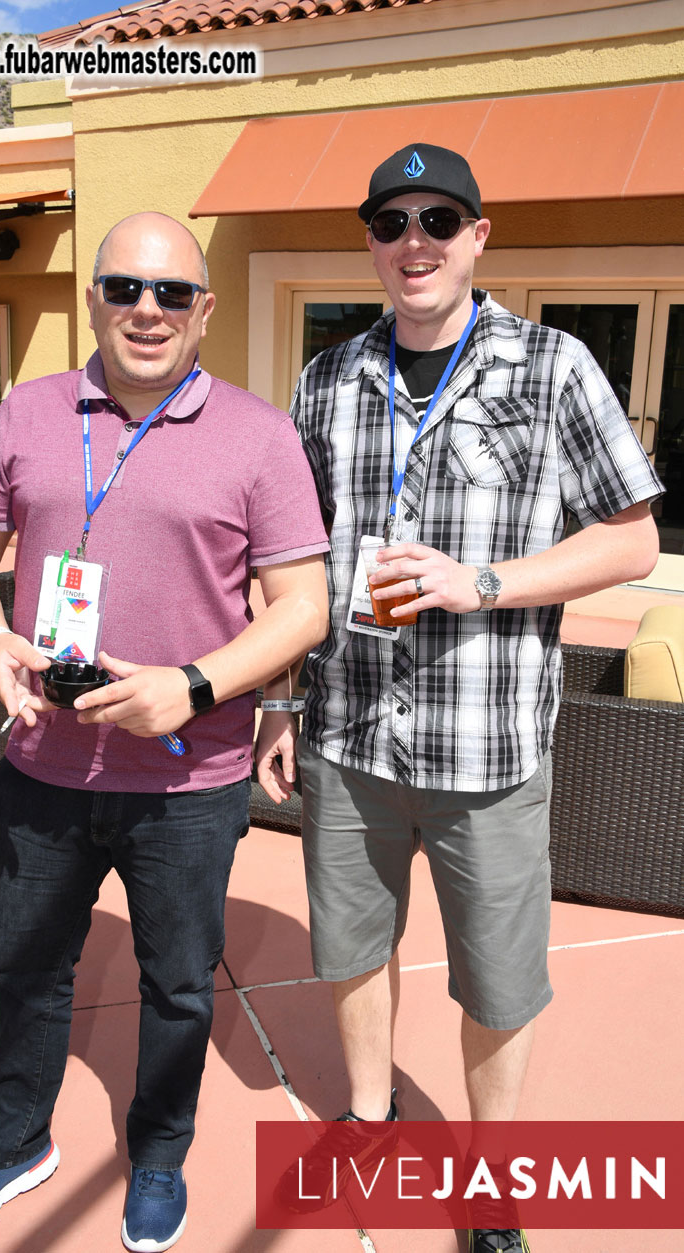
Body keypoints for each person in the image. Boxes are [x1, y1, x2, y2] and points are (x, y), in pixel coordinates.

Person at [256, 143, 662, 1253]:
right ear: (372, 245)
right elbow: (297, 562)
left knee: (496, 979)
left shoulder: (552, 364)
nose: (414, 241)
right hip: (345, 732)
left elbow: (629, 541)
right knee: (352, 949)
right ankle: (373, 1123)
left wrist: (479, 582)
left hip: (485, 750)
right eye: (390, 223)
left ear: (479, 237)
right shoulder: (327, 377)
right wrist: (280, 703)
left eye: (440, 219)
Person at [0, 212, 329, 1250]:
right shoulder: (28, 410)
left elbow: (301, 606)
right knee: (23, 969)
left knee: (178, 986)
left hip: (189, 781)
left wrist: (191, 687)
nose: (147, 310)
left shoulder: (259, 433)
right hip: (41, 763)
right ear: (94, 297)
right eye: (124, 288)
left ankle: (158, 1152)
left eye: (172, 293)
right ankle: (11, 1144)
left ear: (202, 308)